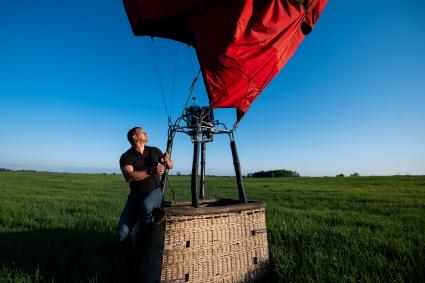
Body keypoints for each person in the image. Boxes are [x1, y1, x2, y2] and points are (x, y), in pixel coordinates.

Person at [116, 126, 173, 282]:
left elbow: (170, 165)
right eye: (142, 132)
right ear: (134, 137)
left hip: (154, 193)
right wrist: (151, 170)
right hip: (134, 197)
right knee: (122, 232)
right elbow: (129, 176)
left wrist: (167, 161)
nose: (146, 133)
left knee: (147, 206)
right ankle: (129, 265)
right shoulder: (126, 156)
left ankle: (142, 248)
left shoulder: (154, 151)